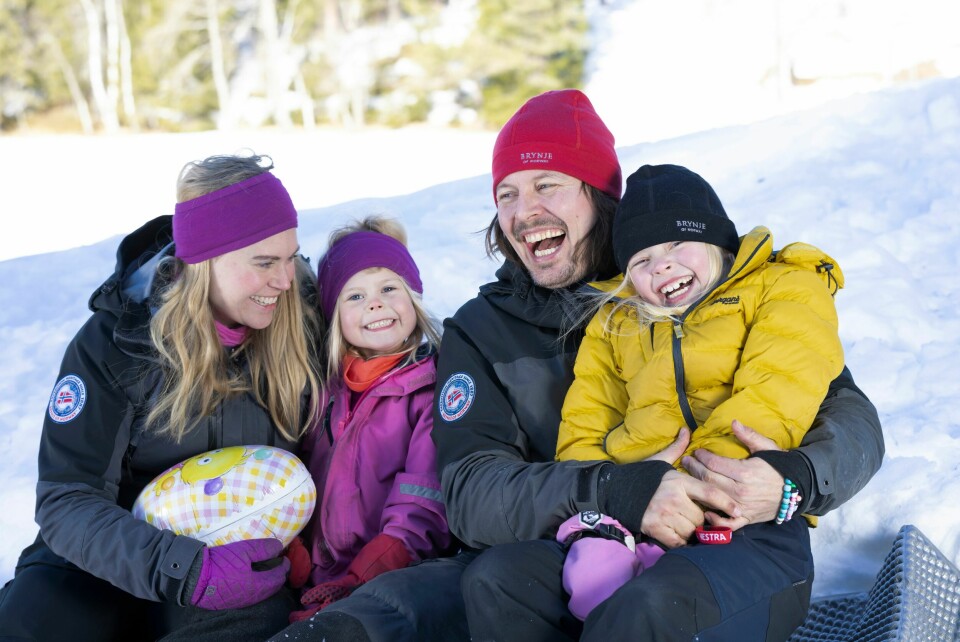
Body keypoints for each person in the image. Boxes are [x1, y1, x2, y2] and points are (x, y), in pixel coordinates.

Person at [267, 89, 884, 642]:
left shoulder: (693, 287)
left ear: (597, 195)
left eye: (546, 185)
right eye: (507, 194)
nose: (523, 209)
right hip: (567, 545)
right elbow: (472, 491)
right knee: (423, 602)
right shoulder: (484, 331)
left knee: (645, 609)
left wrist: (795, 476)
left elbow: (843, 412)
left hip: (719, 538)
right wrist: (612, 489)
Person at [0, 153, 323, 641]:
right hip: (105, 551)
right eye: (264, 263)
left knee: (250, 625)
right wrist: (183, 569)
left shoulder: (301, 323)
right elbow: (69, 498)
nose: (284, 280)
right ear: (205, 260)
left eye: (290, 257)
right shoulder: (114, 342)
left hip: (233, 554)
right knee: (36, 619)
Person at [553, 163, 845, 620]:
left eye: (676, 243)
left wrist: (693, 493)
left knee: (649, 607)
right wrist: (613, 497)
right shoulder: (616, 326)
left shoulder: (783, 287)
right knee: (592, 585)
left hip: (744, 512)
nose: (662, 264)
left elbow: (775, 395)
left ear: (717, 241)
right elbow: (585, 420)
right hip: (641, 513)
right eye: (641, 260)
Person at [285, 217, 450, 624]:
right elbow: (295, 474)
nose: (375, 304)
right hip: (310, 578)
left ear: (413, 297)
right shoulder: (324, 390)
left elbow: (423, 500)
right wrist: (292, 549)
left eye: (389, 289)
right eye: (354, 296)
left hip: (389, 577)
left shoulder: (430, 389)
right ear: (333, 314)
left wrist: (362, 577)